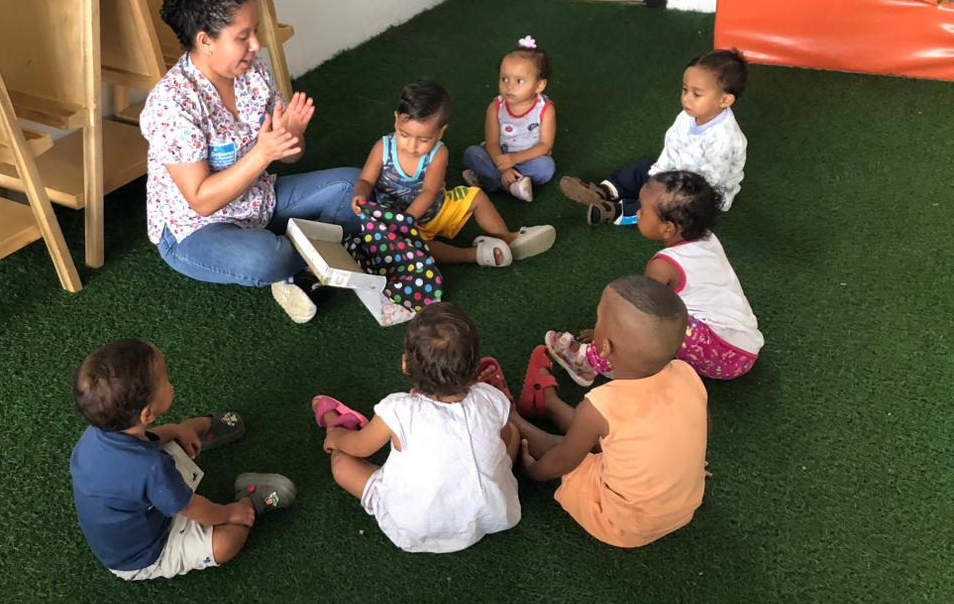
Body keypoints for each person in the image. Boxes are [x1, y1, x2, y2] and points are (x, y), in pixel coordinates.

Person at [139, 0, 360, 323]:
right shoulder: (172, 104)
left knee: (353, 187)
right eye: (243, 37)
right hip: (195, 229)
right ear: (206, 41)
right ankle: (302, 259)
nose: (256, 44)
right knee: (267, 258)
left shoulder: (252, 73)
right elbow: (202, 200)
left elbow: (291, 157)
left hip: (257, 200)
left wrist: (291, 137)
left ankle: (301, 266)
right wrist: (263, 153)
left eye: (255, 31)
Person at [69, 338, 294, 581]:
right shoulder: (151, 468)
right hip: (144, 554)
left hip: (138, 507)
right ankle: (250, 501)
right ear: (147, 413)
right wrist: (230, 513)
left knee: (171, 436)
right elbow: (191, 507)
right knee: (226, 544)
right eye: (165, 380)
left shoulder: (96, 433)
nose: (170, 383)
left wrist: (176, 430)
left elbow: (146, 443)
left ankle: (196, 432)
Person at [513, 276, 709, 549]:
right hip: (683, 505)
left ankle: (514, 421)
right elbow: (701, 427)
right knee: (611, 435)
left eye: (598, 319)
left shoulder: (600, 405)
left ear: (605, 347)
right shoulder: (687, 373)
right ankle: (549, 405)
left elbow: (565, 459)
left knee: (575, 452)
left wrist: (535, 472)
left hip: (622, 522)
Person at [312, 303, 522, 553]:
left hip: (416, 527)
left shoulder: (398, 411)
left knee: (342, 465)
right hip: (492, 515)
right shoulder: (490, 398)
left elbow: (359, 447)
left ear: (405, 364)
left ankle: (334, 421)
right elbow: (504, 438)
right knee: (513, 432)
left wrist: (336, 437)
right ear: (475, 367)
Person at [545, 171, 763, 383]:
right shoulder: (707, 239)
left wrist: (604, 334)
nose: (638, 214)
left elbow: (642, 317)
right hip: (744, 347)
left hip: (722, 354)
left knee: (638, 318)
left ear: (668, 228)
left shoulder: (663, 266)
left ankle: (589, 362)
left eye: (643, 210)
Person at [351, 79, 555, 268]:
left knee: (476, 196)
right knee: (416, 245)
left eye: (423, 140)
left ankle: (507, 238)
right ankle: (472, 255)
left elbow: (429, 191)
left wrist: (408, 218)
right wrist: (360, 194)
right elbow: (366, 180)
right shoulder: (383, 147)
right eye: (404, 135)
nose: (412, 146)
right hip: (399, 224)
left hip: (437, 210)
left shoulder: (439, 153)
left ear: (440, 132)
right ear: (396, 120)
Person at [559, 48, 749, 225]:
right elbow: (672, 144)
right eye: (685, 89)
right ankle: (604, 191)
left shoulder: (724, 139)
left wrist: (667, 186)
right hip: (679, 170)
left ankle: (617, 212)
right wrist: (658, 173)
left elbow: (707, 183)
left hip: (702, 193)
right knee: (643, 168)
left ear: (725, 100)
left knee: (666, 202)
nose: (686, 98)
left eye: (696, 94)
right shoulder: (688, 116)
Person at [461, 35, 556, 202]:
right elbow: (491, 143)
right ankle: (512, 186)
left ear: (539, 85)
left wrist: (514, 159)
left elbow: (545, 145)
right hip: (498, 157)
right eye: (504, 79)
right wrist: (504, 169)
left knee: (546, 168)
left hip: (527, 159)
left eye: (519, 81)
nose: (509, 86)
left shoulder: (545, 110)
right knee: (472, 154)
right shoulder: (495, 107)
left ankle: (491, 181)